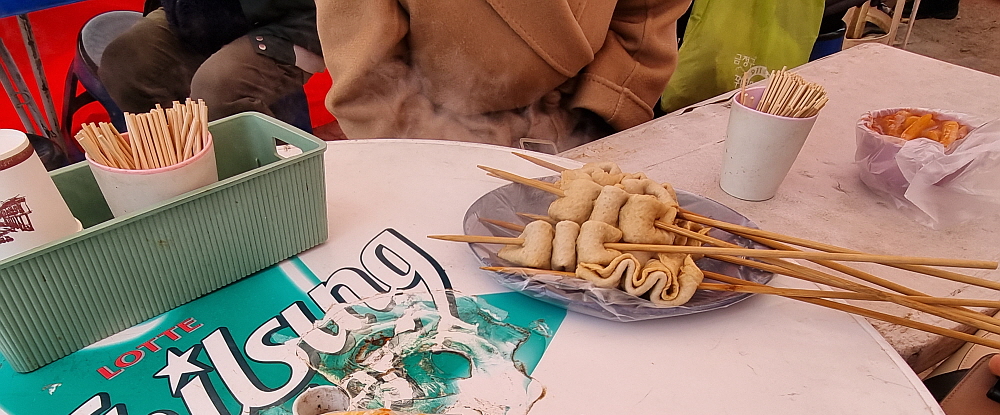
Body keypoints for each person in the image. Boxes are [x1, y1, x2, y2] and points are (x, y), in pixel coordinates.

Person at [314, 0, 693, 151]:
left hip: (587, 132)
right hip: (446, 146)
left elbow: (645, 14)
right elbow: (370, 84)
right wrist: (470, 155)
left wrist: (594, 117)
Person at [99, 0, 323, 120]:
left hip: (290, 20)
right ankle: (181, 166)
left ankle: (262, 178)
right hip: (196, 12)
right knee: (125, 61)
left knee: (216, 90)